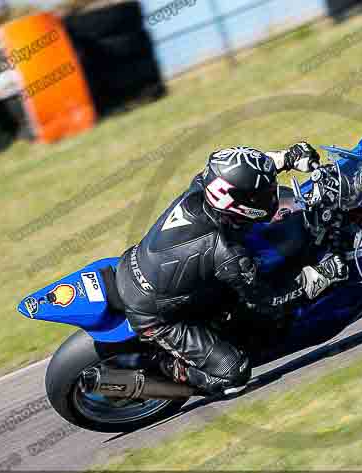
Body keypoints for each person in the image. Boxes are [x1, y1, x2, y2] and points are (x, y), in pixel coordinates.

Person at [115, 143, 349, 396]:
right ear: (242, 203)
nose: (270, 192)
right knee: (234, 374)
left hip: (143, 269)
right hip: (156, 317)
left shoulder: (203, 187)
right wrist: (317, 277)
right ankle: (160, 368)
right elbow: (268, 300)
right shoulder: (227, 252)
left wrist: (286, 158)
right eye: (262, 193)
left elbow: (240, 172)